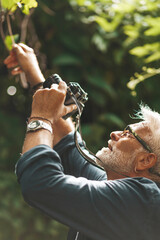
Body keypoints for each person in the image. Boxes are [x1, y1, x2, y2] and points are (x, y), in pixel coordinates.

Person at [4, 44, 160, 240]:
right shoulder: (115, 185)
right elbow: (70, 146)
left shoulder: (141, 200)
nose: (114, 134)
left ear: (146, 160)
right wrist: (35, 75)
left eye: (128, 133)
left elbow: (39, 182)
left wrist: (41, 118)